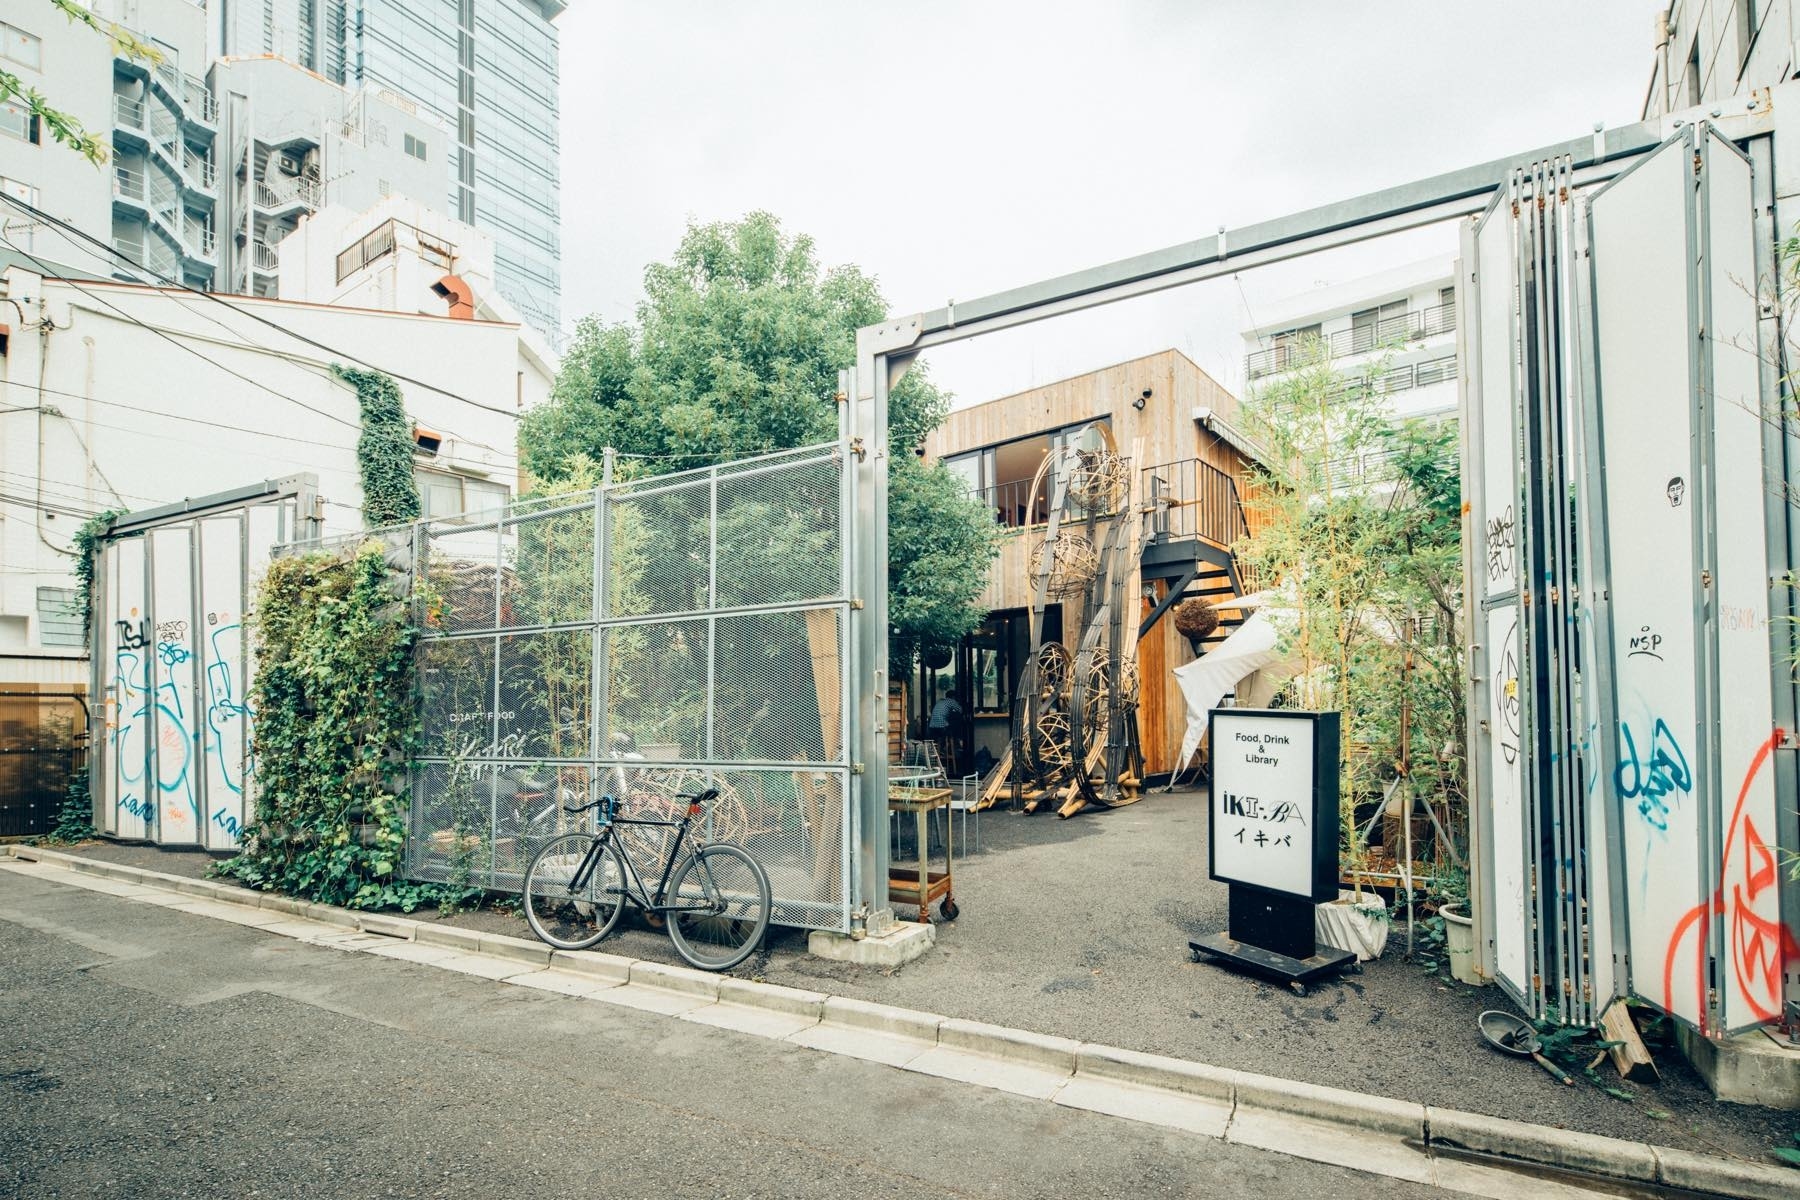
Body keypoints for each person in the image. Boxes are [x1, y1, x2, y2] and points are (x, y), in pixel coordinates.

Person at [927, 681, 964, 776]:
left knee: (947, 729)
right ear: (953, 697)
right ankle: (953, 745)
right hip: (942, 728)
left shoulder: (940, 701)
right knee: (956, 724)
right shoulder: (951, 701)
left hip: (932, 727)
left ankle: (944, 748)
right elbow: (960, 710)